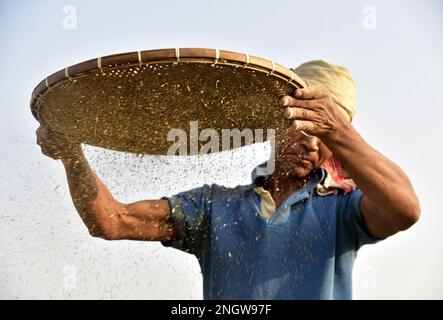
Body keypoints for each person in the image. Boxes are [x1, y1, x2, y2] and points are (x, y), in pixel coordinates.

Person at [36, 60, 420, 299]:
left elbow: (406, 209)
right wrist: (72, 155)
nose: (311, 141)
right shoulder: (213, 207)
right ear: (275, 121)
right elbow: (111, 221)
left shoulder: (345, 211)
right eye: (302, 123)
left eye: (326, 134)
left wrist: (338, 127)